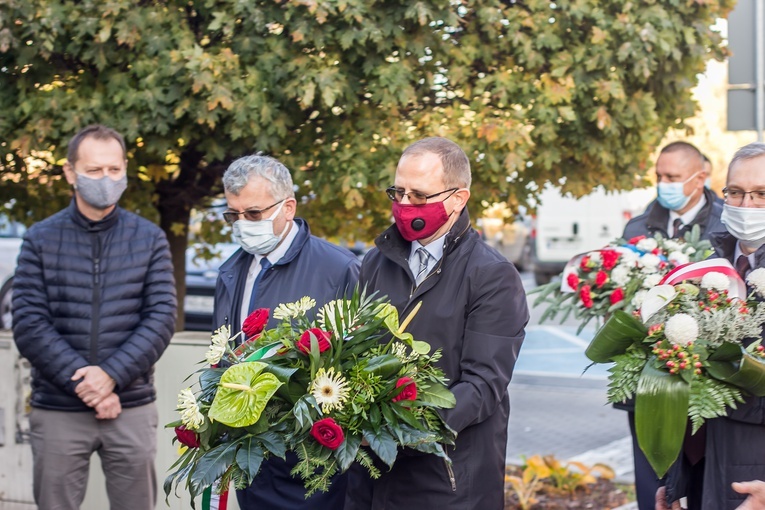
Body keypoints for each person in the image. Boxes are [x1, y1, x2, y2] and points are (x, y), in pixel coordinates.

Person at [344, 137, 529, 509]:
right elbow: (352, 353)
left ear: (458, 199)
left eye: (419, 195)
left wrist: (396, 427)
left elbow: (482, 386)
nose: (403, 204)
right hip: (371, 476)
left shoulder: (492, 275)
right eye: (398, 192)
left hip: (448, 481)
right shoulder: (374, 263)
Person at [12, 125, 177, 510]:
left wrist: (111, 376)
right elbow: (29, 323)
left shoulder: (150, 238)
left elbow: (161, 317)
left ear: (124, 170)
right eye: (94, 171)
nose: (106, 179)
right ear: (70, 173)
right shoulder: (40, 238)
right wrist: (86, 385)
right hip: (58, 409)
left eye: (114, 170)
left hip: (130, 405)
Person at [212, 153, 360, 509]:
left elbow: (356, 370)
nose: (242, 223)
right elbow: (221, 357)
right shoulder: (230, 271)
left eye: (253, 213)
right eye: (233, 214)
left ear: (288, 207)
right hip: (251, 458)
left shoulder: (339, 268)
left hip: (314, 467)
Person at [658, 142, 765, 510]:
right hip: (703, 471)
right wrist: (674, 482)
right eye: (735, 192)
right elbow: (686, 381)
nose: (746, 205)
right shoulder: (707, 269)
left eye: (760, 195)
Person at [620, 141, 725, 510]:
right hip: (646, 383)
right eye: (659, 176)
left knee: (701, 489)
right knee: (654, 493)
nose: (663, 184)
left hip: (703, 384)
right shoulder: (636, 226)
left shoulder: (726, 225)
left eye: (673, 177)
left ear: (700, 177)